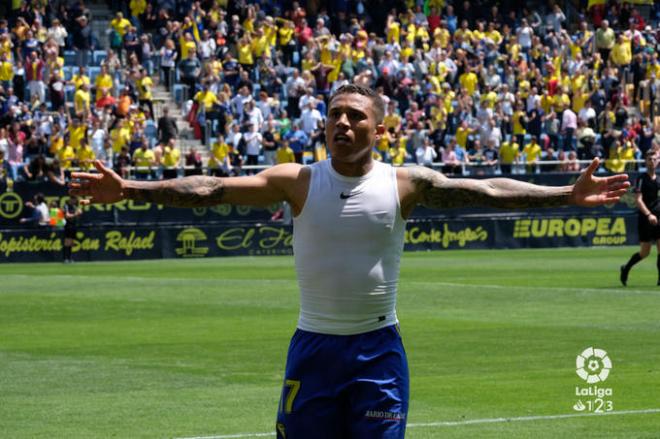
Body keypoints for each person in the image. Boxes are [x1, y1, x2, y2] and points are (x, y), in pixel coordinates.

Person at [70, 84, 629, 438]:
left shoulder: (406, 183)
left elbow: (486, 189)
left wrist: (565, 196)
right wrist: (132, 190)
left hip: (378, 353)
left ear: (379, 130)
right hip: (313, 348)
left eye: (355, 117)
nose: (342, 123)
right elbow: (211, 187)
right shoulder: (297, 180)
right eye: (335, 114)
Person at [621, 151, 660, 286]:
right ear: (646, 161)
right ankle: (626, 268)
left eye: (654, 159)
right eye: (650, 159)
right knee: (645, 252)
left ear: (658, 162)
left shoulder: (659, 179)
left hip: (659, 217)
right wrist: (649, 215)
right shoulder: (640, 179)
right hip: (646, 218)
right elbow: (638, 200)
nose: (652, 161)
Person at [63, 196, 82, 263]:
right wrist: (76, 214)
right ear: (71, 199)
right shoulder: (66, 206)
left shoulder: (75, 207)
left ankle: (70, 258)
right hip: (68, 226)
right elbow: (67, 216)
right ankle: (65, 258)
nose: (74, 201)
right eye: (73, 199)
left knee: (71, 243)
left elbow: (77, 217)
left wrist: (79, 214)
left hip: (73, 226)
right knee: (67, 242)